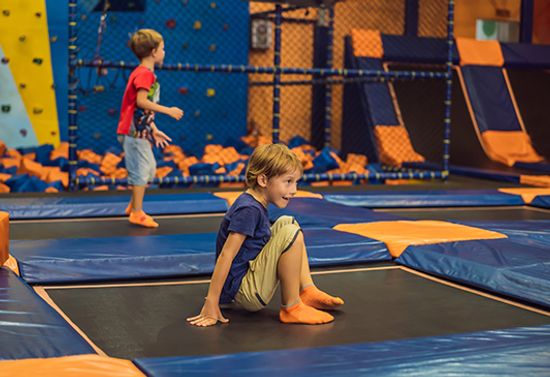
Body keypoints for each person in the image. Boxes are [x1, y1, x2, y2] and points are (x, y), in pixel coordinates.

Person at [187, 144, 344, 327]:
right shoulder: (248, 210)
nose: (294, 190)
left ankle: (307, 290)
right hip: (245, 292)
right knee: (289, 232)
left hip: (243, 283)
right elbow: (226, 254)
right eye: (288, 182)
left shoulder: (253, 202)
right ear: (263, 180)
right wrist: (211, 301)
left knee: (288, 222)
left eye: (295, 182)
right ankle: (291, 307)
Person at [117, 29, 184, 228]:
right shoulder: (145, 74)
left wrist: (153, 128)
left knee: (150, 170)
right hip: (133, 133)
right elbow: (141, 102)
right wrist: (168, 110)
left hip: (140, 130)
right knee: (141, 171)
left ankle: (133, 204)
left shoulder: (145, 74)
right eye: (163, 48)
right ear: (154, 52)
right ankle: (137, 212)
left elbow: (139, 109)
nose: (165, 52)